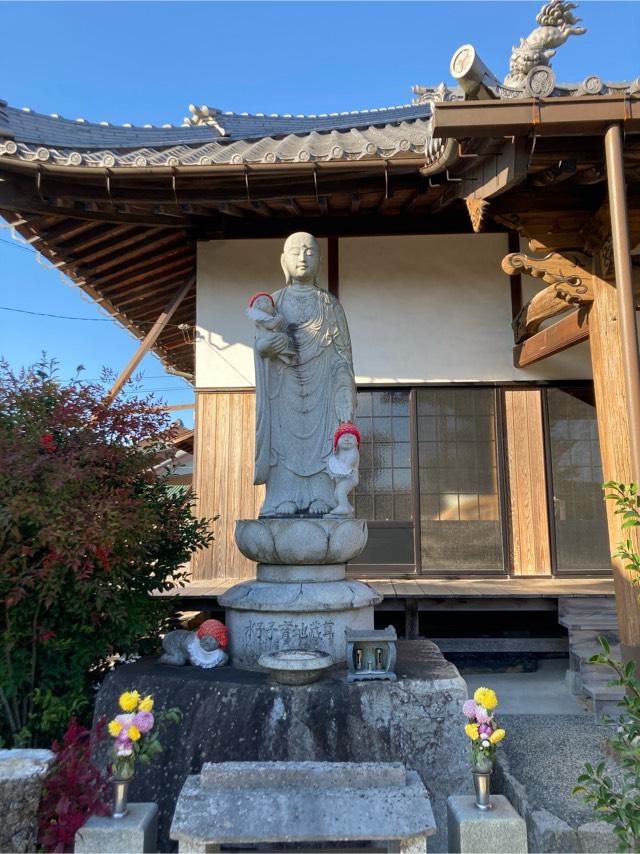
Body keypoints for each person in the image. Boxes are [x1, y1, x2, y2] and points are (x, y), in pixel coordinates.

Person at [252, 232, 356, 516]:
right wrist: (265, 350)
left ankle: (324, 496)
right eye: (295, 252)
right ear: (283, 261)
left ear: (319, 262)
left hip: (322, 387)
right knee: (283, 441)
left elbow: (342, 356)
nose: (302, 257)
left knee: (324, 440)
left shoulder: (330, 305)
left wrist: (344, 389)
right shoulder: (272, 302)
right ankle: (281, 497)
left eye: (310, 252)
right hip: (283, 387)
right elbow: (260, 344)